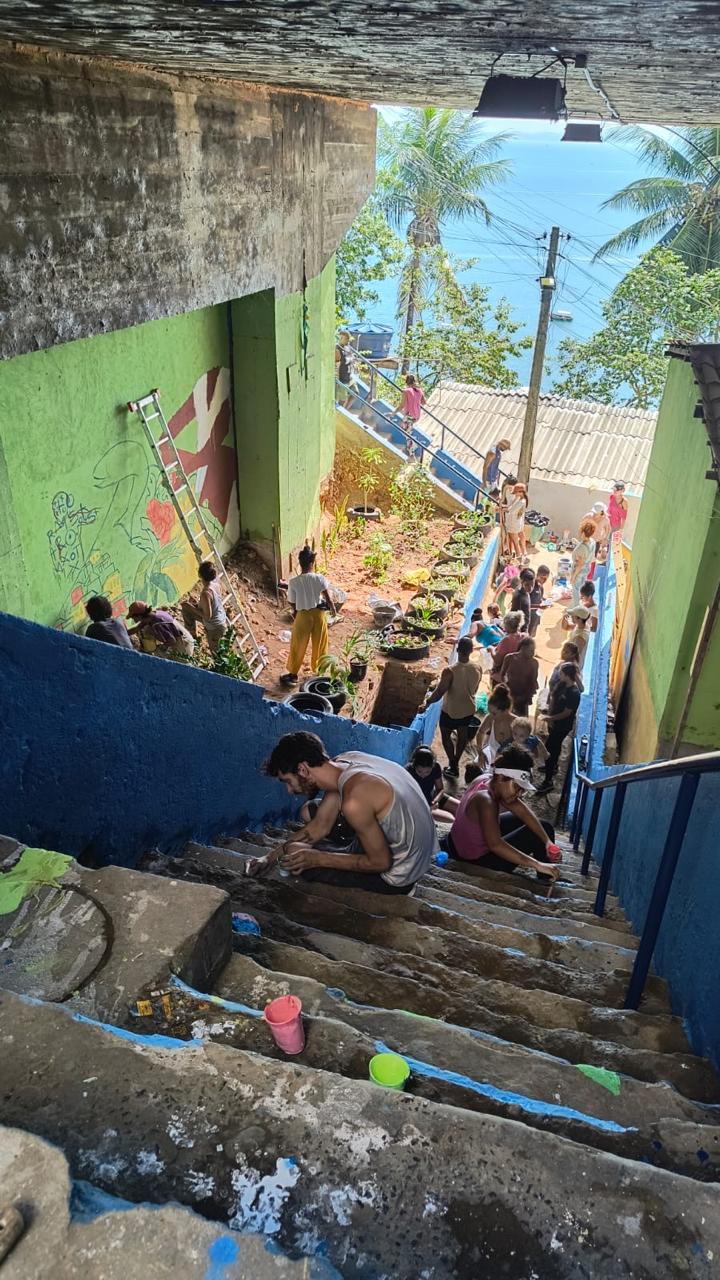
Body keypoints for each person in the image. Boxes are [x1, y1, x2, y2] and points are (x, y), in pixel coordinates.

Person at [252, 732, 436, 895]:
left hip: (400, 874)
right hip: (414, 850)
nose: (290, 791)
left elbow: (381, 863)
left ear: (302, 769)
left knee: (298, 862)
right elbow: (319, 826)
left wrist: (318, 859)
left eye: (288, 781)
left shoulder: (355, 798)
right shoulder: (346, 761)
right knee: (295, 849)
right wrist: (269, 858)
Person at [441, 746, 560, 882]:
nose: (519, 793)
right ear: (502, 777)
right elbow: (495, 845)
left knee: (543, 828)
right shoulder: (486, 801)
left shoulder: (486, 779)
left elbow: (523, 811)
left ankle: (547, 871)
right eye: (517, 787)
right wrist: (536, 864)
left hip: (455, 843)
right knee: (537, 833)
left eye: (522, 789)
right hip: (477, 860)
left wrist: (548, 842)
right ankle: (546, 876)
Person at [422, 637, 481, 779]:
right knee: (462, 737)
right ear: (471, 651)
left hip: (451, 710)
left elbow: (439, 692)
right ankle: (455, 763)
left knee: (446, 735)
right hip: (468, 709)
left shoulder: (450, 671)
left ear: (458, 649)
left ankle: (453, 764)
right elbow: (475, 689)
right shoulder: (477, 668)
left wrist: (427, 702)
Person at [280, 544, 337, 686]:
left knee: (298, 644)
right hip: (319, 615)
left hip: (303, 616)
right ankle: (319, 672)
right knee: (320, 644)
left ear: (300, 563)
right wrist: (333, 609)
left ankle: (293, 675)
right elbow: (328, 599)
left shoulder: (293, 582)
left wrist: (296, 612)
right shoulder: (319, 578)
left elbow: (292, 603)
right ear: (312, 562)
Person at [536, 663, 582, 795]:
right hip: (554, 723)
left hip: (561, 726)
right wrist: (549, 715)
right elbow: (553, 699)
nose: (559, 675)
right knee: (553, 747)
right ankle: (552, 767)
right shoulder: (561, 685)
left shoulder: (574, 693)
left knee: (551, 749)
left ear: (568, 676)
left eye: (562, 673)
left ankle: (548, 781)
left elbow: (567, 713)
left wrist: (550, 719)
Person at [181, 560, 228, 653]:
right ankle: (192, 637)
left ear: (200, 575)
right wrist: (197, 605)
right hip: (219, 621)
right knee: (186, 609)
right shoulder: (216, 585)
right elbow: (214, 604)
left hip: (215, 627)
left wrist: (192, 608)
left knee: (217, 654)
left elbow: (207, 616)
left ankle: (193, 643)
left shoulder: (206, 593)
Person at [127, 601, 195, 658]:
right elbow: (137, 628)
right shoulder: (152, 615)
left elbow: (171, 640)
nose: (132, 619)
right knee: (146, 630)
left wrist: (162, 647)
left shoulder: (157, 624)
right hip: (182, 638)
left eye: (133, 617)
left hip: (184, 644)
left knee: (158, 654)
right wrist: (123, 633)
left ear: (139, 615)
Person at [475, 683, 515, 766]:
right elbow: (480, 733)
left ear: (506, 710)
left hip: (509, 759)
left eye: (494, 713)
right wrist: (480, 752)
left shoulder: (516, 723)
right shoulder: (490, 718)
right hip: (491, 754)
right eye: (489, 712)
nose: (491, 716)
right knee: (474, 769)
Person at [500, 635, 539, 716]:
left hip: (523, 698)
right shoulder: (509, 658)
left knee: (521, 722)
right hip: (509, 695)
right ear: (523, 648)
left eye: (533, 650)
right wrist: (506, 687)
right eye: (531, 650)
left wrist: (525, 697)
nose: (533, 653)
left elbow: (533, 681)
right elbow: (502, 674)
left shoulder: (534, 663)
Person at [490, 611, 524, 686]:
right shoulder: (523, 637)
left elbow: (497, 660)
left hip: (501, 678)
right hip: (516, 676)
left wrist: (491, 649)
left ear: (508, 625)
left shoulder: (507, 640)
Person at [570, 521, 596, 606]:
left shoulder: (581, 548)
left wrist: (573, 576)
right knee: (581, 588)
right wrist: (577, 543)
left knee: (576, 591)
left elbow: (580, 564)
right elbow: (588, 553)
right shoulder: (592, 541)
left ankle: (576, 609)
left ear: (583, 533)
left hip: (579, 571)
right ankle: (578, 606)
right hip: (586, 568)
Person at [503, 483, 529, 558]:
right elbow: (511, 507)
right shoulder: (522, 500)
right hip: (516, 523)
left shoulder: (521, 501)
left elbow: (511, 511)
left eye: (516, 492)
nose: (515, 494)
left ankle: (519, 557)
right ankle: (522, 554)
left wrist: (501, 509)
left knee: (515, 543)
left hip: (513, 524)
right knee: (516, 541)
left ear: (521, 492)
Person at [562, 605, 590, 670]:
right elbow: (565, 627)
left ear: (579, 619)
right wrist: (564, 619)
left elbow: (574, 656)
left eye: (573, 616)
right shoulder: (581, 625)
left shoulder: (580, 637)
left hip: (572, 667)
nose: (571, 616)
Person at [528, 564, 551, 637]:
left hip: (535, 618)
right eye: (542, 578)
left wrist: (546, 601)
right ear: (537, 575)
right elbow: (525, 605)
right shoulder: (529, 587)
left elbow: (539, 599)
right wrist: (539, 606)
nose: (544, 580)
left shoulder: (541, 587)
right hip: (527, 620)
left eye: (546, 579)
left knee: (531, 637)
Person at [335, 331, 358, 404]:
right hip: (343, 378)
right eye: (346, 339)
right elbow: (336, 366)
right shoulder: (338, 350)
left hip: (350, 376)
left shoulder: (348, 347)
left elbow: (352, 359)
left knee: (355, 393)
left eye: (348, 339)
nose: (348, 340)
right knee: (342, 399)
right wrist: (337, 380)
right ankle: (340, 412)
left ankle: (346, 408)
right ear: (341, 338)